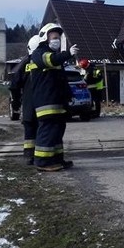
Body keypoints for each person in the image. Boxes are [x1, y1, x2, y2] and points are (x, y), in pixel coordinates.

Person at [30, 22, 79, 172]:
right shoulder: (39, 53)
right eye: (54, 37)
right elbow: (50, 60)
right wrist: (67, 54)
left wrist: (69, 96)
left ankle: (56, 159)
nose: (57, 40)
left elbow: (61, 80)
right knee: (48, 131)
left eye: (58, 37)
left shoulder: (56, 57)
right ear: (45, 38)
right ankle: (42, 162)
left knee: (57, 131)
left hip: (57, 102)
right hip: (46, 102)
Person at [9, 34, 41, 164]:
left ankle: (28, 156)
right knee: (43, 133)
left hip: (28, 106)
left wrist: (15, 104)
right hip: (44, 104)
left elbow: (14, 86)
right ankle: (41, 157)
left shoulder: (24, 64)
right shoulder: (46, 61)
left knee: (29, 134)